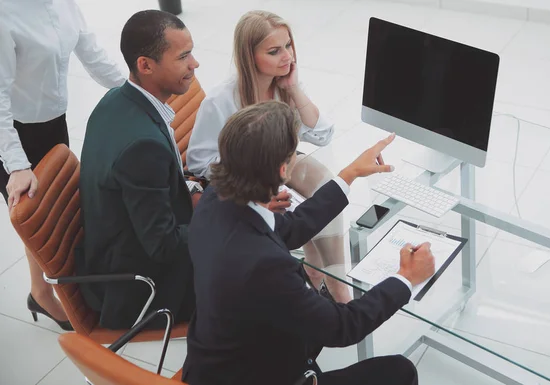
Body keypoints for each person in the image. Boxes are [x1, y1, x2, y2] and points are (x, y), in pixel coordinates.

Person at [183, 101, 436, 385]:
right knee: (400, 371)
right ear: (282, 169)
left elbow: (289, 228)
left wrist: (348, 174)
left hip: (218, 358)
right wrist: (405, 278)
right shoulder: (265, 266)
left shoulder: (213, 200)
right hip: (255, 373)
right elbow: (343, 327)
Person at [186, 10, 350, 303]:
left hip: (280, 167)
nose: (286, 56)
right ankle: (329, 286)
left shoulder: (282, 85)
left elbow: (323, 134)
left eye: (288, 46)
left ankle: (331, 283)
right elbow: (199, 162)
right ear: (249, 57)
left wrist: (294, 89)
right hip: (245, 182)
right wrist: (253, 183)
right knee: (313, 204)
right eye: (274, 51)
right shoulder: (221, 100)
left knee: (327, 186)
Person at [0, 0, 126, 330]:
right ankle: (44, 294)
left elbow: (94, 55)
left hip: (54, 124)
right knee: (40, 223)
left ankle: (40, 289)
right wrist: (16, 164)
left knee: (58, 215)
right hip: (15, 134)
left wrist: (139, 93)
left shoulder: (63, 3)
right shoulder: (4, 14)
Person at [76, 10, 200, 329]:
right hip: (142, 290)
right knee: (257, 276)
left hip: (116, 251)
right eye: (183, 56)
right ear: (145, 65)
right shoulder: (142, 147)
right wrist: (224, 222)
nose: (194, 64)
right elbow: (163, 246)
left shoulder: (114, 100)